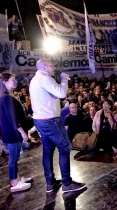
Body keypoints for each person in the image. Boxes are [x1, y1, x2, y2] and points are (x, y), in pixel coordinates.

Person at [29, 59, 86, 193]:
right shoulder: (45, 79)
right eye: (51, 65)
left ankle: (50, 183)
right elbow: (61, 93)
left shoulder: (34, 79)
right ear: (44, 67)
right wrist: (64, 80)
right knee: (65, 148)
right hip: (50, 120)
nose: (54, 67)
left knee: (48, 151)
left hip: (40, 120)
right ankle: (67, 184)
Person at [0, 73, 32, 193]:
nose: (15, 81)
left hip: (12, 133)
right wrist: (22, 132)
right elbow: (12, 118)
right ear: (5, 82)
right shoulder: (6, 97)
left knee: (15, 157)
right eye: (13, 79)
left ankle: (17, 178)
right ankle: (14, 182)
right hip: (12, 133)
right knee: (13, 158)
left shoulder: (6, 96)